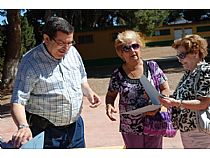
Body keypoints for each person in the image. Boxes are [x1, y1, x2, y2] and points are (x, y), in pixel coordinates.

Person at [10, 16, 101, 149]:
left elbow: (81, 78)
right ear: (46, 39)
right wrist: (23, 126)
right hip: (47, 133)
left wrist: (89, 92)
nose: (66, 48)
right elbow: (18, 101)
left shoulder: (73, 52)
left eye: (70, 42)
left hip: (75, 129)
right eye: (61, 43)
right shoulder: (30, 62)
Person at [105, 30, 170, 148]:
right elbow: (110, 95)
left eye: (135, 46)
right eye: (126, 48)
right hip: (130, 126)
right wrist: (109, 105)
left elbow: (165, 88)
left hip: (153, 121)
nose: (132, 50)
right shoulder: (117, 74)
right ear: (121, 52)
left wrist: (160, 104)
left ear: (140, 47)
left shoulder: (152, 67)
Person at [159, 34, 210, 148]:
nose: (180, 60)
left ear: (195, 53)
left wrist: (176, 103)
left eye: (182, 55)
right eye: (178, 57)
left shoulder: (205, 71)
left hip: (201, 131)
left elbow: (203, 103)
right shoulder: (188, 73)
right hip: (188, 130)